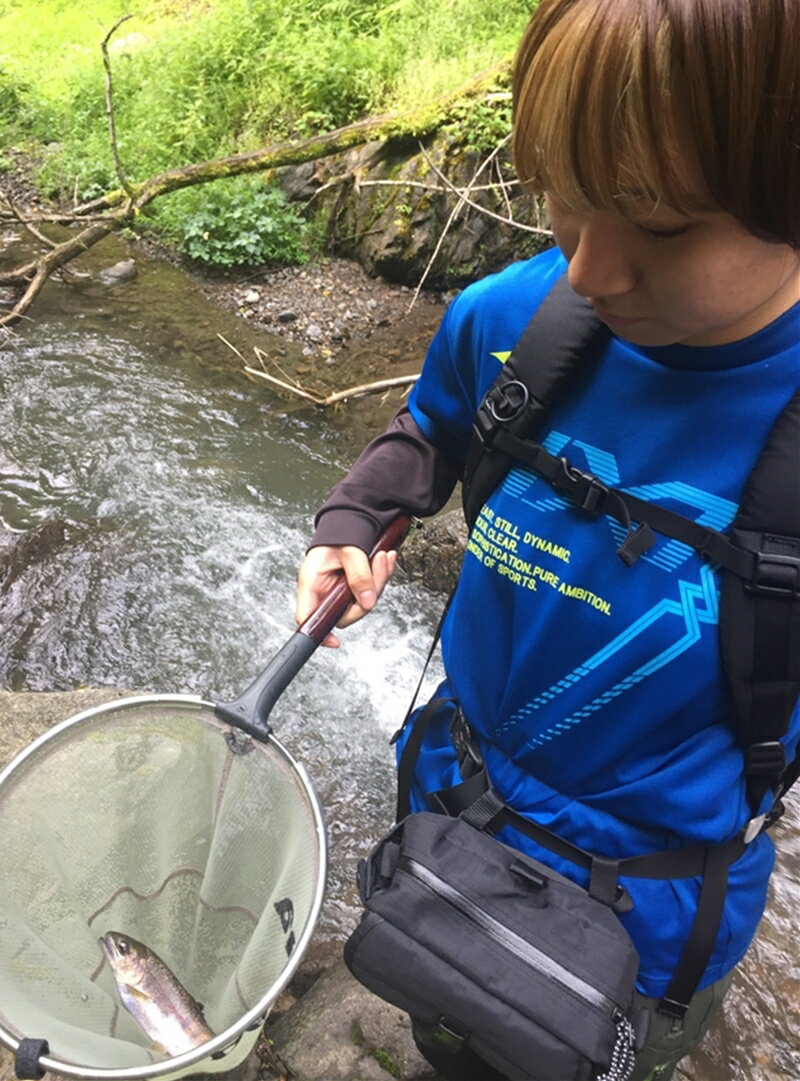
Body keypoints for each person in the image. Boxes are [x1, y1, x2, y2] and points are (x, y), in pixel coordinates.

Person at [295, 0, 800, 1077]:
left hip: (647, 919)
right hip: (451, 810)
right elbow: (430, 424)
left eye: (660, 225)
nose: (591, 271)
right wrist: (355, 519)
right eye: (560, 204)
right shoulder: (515, 318)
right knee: (444, 1039)